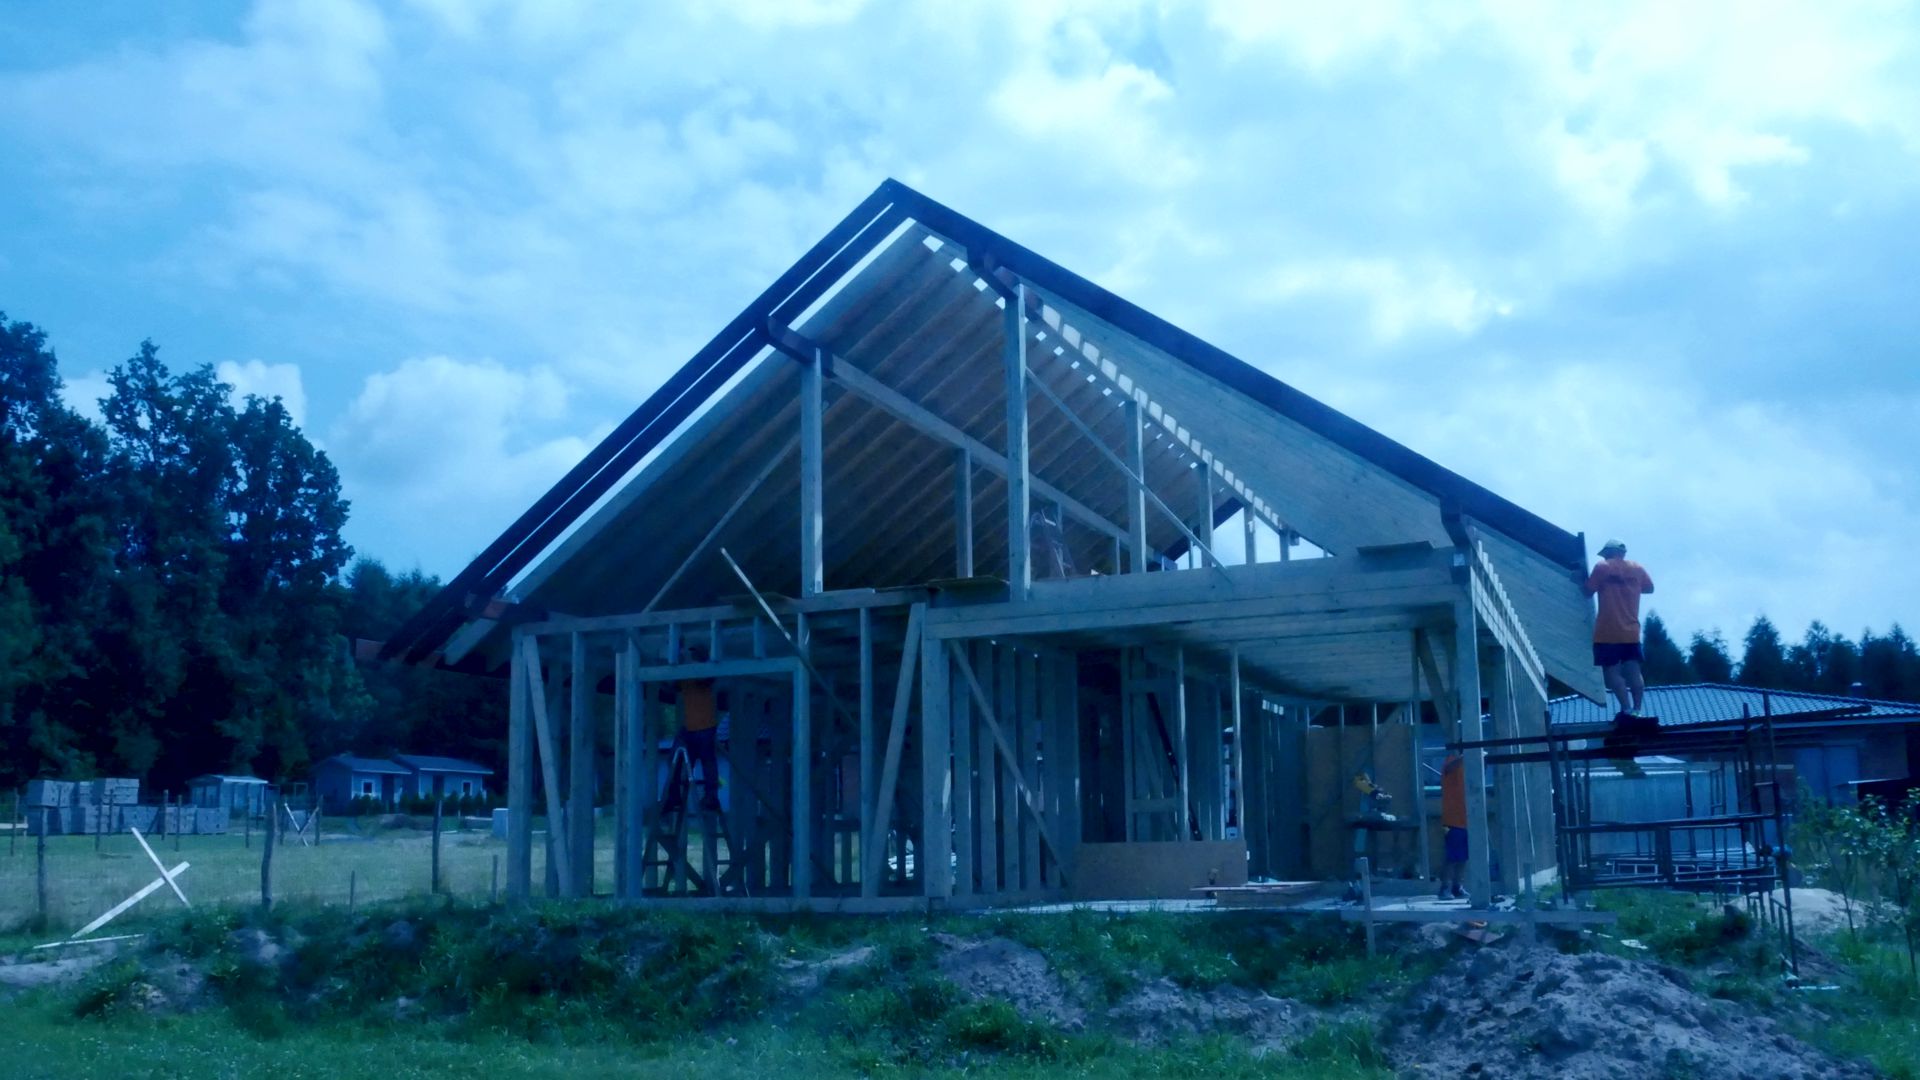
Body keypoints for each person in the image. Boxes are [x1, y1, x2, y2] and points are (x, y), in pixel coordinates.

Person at [1583, 538, 1655, 723]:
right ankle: (1637, 710)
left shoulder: (1602, 567)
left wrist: (1578, 579)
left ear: (1608, 552)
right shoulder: (1637, 569)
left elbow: (1587, 591)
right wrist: (1630, 587)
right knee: (1634, 672)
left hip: (1607, 631)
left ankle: (1626, 709)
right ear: (1623, 553)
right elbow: (1649, 588)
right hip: (1631, 631)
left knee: (1612, 673)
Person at [1438, 752, 1468, 900]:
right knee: (1452, 857)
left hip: (1466, 819)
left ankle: (1457, 887)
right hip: (1452, 820)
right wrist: (1466, 755)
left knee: (1463, 857)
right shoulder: (1451, 761)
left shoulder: (1468, 766)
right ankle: (1444, 888)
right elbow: (1448, 768)